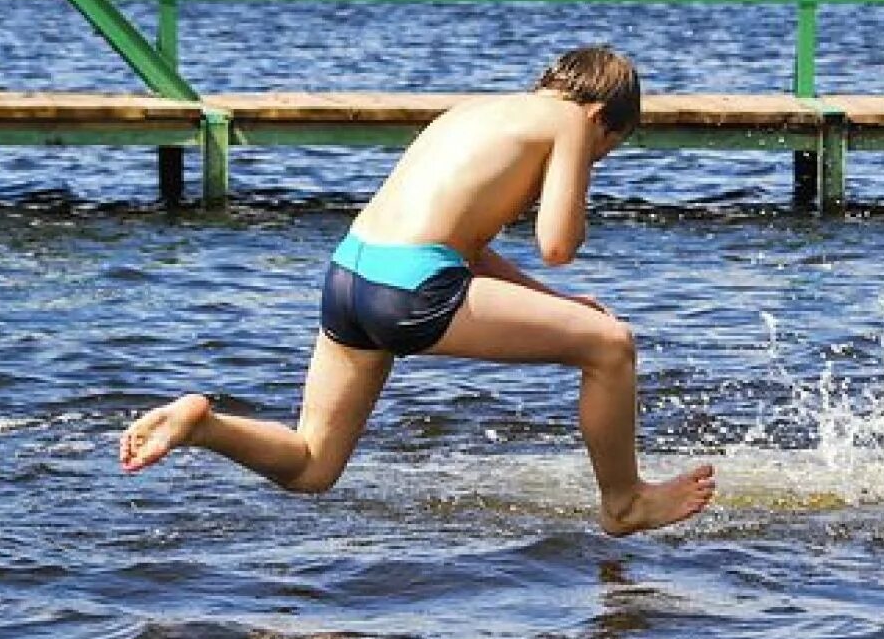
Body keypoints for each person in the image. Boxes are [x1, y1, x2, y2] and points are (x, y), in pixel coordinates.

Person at [119, 46, 716, 536]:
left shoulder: (472, 114)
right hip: (410, 288)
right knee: (611, 345)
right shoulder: (570, 122)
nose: (598, 159)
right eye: (608, 148)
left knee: (312, 465)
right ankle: (624, 501)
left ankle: (204, 426)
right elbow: (558, 246)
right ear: (601, 117)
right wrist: (579, 177)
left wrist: (557, 306)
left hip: (348, 277)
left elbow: (467, 245)